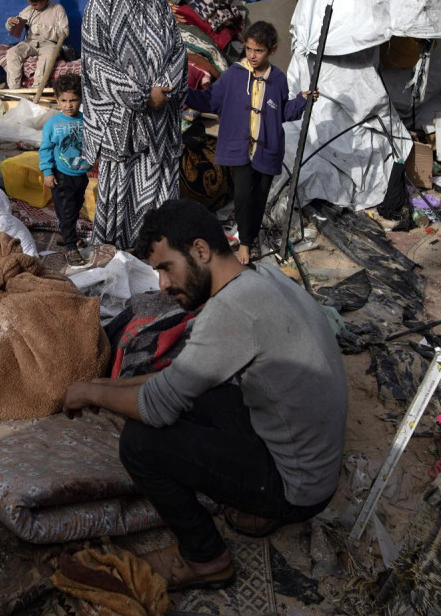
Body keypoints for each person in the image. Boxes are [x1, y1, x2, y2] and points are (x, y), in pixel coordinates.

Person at [62, 200, 347, 591]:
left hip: (297, 488)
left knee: (140, 443)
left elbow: (155, 408)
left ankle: (206, 559)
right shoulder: (262, 277)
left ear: (200, 251)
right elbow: (176, 384)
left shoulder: (230, 312)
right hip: (312, 466)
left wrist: (93, 391)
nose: (162, 285)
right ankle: (257, 506)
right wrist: (99, 389)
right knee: (197, 392)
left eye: (165, 268)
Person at [81, 0, 187, 250]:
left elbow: (177, 51)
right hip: (122, 123)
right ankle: (117, 247)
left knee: (155, 182)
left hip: (159, 124)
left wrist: (164, 89)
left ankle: (155, 249)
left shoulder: (157, 3)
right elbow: (97, 65)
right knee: (121, 184)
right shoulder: (102, 7)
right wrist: (143, 96)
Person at [186, 22, 317, 264]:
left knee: (259, 197)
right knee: (243, 195)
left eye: (259, 51)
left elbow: (283, 111)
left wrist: (302, 101)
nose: (252, 55)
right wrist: (183, 94)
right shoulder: (234, 75)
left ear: (273, 50)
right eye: (248, 49)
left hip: (267, 148)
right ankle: (245, 244)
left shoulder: (277, 79)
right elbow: (210, 100)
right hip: (240, 148)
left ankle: (249, 236)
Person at [39, 73, 91, 264]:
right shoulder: (53, 123)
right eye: (63, 100)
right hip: (61, 176)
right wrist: (47, 172)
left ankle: (66, 234)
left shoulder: (86, 121)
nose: (68, 105)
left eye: (73, 100)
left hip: (80, 174)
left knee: (75, 209)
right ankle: (71, 247)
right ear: (57, 100)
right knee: (66, 211)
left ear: (81, 99)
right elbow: (45, 149)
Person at [4, 0, 69, 98]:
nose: (32, 7)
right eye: (30, 4)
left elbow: (64, 32)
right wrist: (10, 22)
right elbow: (15, 23)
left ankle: (36, 89)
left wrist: (41, 29)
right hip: (31, 42)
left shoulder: (58, 9)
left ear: (44, 0)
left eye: (34, 4)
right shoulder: (29, 10)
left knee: (49, 55)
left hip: (49, 43)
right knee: (12, 52)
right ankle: (14, 90)